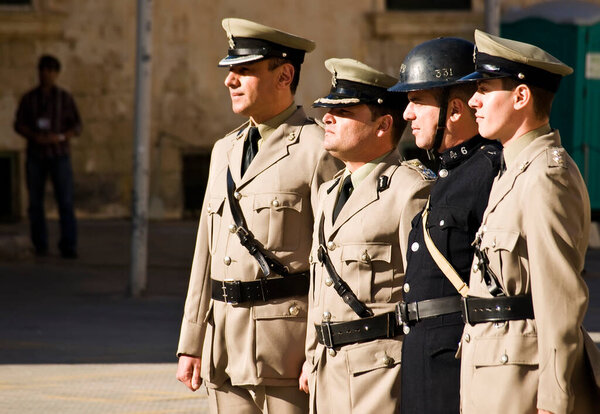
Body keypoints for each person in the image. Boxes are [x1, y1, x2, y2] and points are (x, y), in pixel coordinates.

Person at [175, 18, 341, 414]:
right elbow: (205, 254)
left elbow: (329, 261)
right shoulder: (224, 151)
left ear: (284, 75)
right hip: (223, 347)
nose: (230, 81)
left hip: (284, 349)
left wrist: (317, 347)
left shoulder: (317, 150)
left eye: (244, 70)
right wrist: (192, 341)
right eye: (230, 71)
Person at [459, 29, 600, 413]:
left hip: (522, 382)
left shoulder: (545, 176)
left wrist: (555, 399)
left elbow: (560, 300)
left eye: (485, 89)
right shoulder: (514, 169)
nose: (473, 101)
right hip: (494, 371)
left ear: (521, 96)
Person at [299, 58, 433, 413]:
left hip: (380, 374)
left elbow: (425, 295)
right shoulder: (328, 192)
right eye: (328, 109)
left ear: (383, 124)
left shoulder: (410, 191)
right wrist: (312, 357)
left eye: (343, 111)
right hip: (327, 370)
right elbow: (320, 288)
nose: (326, 118)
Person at [387, 38, 502, 413]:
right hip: (423, 357)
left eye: (417, 101)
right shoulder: (446, 173)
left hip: (459, 364)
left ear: (454, 110)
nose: (407, 114)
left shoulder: (490, 173)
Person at [14, 54, 81, 258]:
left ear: (56, 74)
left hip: (58, 154)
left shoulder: (64, 98)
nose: (47, 75)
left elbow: (76, 126)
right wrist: (35, 136)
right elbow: (19, 124)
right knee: (35, 202)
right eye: (44, 70)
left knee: (65, 201)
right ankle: (40, 243)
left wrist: (59, 137)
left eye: (51, 71)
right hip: (36, 155)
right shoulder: (30, 99)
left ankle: (68, 244)